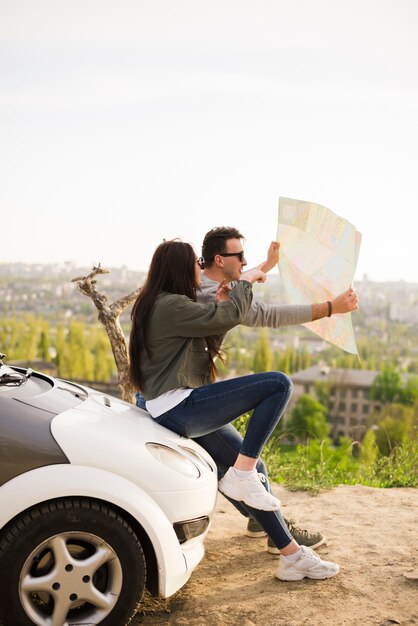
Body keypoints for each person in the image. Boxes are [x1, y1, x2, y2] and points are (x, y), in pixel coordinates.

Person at [129, 239, 340, 581]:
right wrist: (245, 283)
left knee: (252, 466)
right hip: (179, 406)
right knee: (278, 384)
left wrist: (228, 296)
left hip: (172, 403)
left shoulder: (166, 302)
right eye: (194, 263)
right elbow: (228, 315)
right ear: (181, 268)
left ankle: (291, 555)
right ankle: (242, 478)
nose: (198, 268)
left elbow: (218, 320)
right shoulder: (169, 305)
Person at [197, 226, 359, 553]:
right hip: (185, 401)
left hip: (188, 395)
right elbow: (266, 313)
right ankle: (279, 534)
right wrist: (330, 307)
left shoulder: (211, 286)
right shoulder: (208, 294)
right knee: (251, 467)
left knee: (241, 467)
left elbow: (263, 309)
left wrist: (266, 267)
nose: (245, 260)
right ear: (218, 259)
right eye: (238, 255)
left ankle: (260, 520)